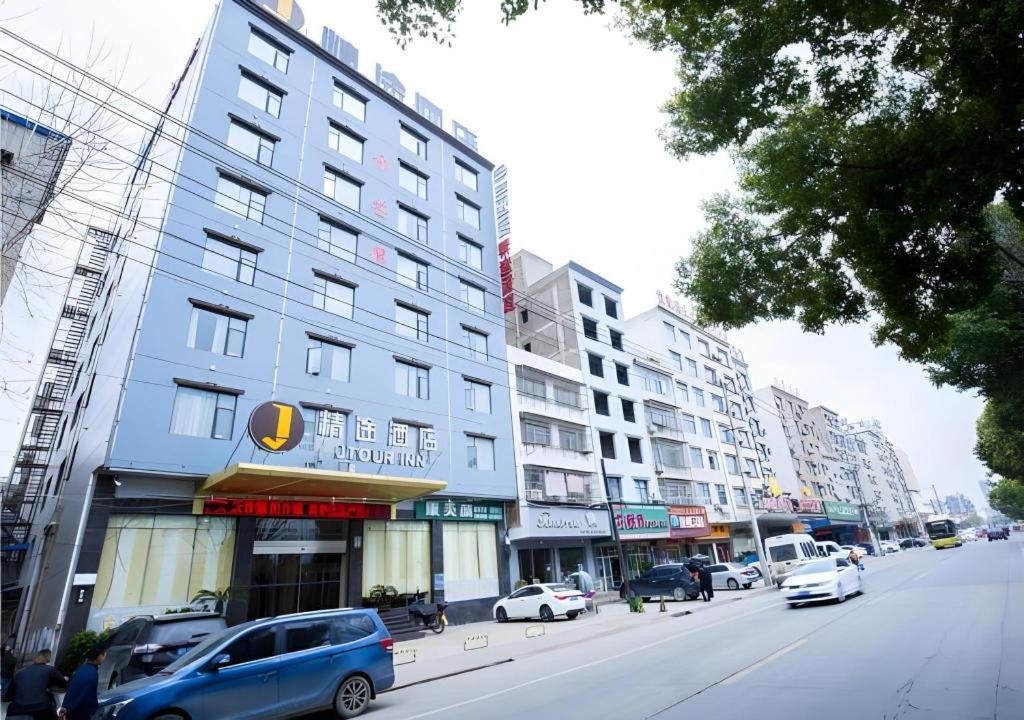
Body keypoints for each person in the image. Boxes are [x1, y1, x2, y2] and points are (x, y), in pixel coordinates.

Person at [2, 649, 66, 720]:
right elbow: (63, 684)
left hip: (15, 711)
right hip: (39, 710)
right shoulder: (50, 670)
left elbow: (7, 696)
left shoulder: (19, 673)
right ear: (48, 659)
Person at [59, 645, 106, 720]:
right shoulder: (92, 673)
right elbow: (88, 697)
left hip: (70, 710)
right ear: (99, 656)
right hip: (80, 713)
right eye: (104, 655)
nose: (105, 658)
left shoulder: (81, 669)